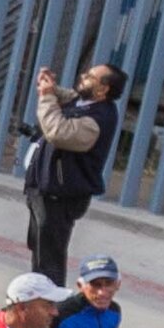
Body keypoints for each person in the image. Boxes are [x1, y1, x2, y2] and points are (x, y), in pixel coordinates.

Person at [18, 59, 119, 277]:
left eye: (90, 77)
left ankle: (51, 305)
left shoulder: (96, 121)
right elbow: (69, 96)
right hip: (44, 190)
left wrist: (46, 96)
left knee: (49, 260)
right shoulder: (85, 102)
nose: (83, 77)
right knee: (39, 250)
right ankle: (38, 301)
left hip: (60, 196)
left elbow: (57, 131)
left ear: (103, 89)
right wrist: (50, 87)